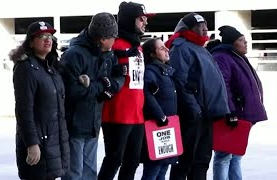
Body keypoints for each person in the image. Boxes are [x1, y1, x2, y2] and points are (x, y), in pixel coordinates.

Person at [165, 12, 230, 180]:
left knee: (202, 161)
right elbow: (179, 81)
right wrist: (194, 110)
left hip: (206, 115)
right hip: (193, 116)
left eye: (205, 25)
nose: (204, 29)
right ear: (189, 29)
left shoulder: (201, 48)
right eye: (200, 26)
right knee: (186, 161)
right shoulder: (181, 47)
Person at [60, 12, 124, 180]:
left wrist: (111, 87)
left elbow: (118, 77)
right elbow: (72, 92)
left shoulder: (108, 54)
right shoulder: (75, 55)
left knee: (89, 173)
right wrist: (102, 86)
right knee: (74, 174)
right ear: (103, 38)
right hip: (74, 125)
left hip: (93, 123)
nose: (115, 41)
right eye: (114, 37)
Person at [98, 2, 154, 180]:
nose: (145, 22)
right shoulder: (114, 44)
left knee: (133, 161)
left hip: (137, 113)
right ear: (130, 20)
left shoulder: (137, 46)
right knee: (114, 159)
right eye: (141, 19)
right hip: (117, 114)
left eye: (146, 19)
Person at [10, 21, 69, 180]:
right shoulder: (26, 69)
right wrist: (32, 144)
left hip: (53, 143)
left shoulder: (50, 67)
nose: (47, 39)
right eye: (42, 36)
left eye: (49, 36)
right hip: (39, 144)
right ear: (30, 42)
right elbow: (24, 111)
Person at [208, 25, 268, 180]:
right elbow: (223, 86)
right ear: (231, 43)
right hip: (232, 114)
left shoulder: (238, 56)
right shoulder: (222, 57)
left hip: (242, 113)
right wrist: (230, 111)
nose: (246, 43)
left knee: (236, 154)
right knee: (224, 155)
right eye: (241, 40)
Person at [140, 38, 178, 180]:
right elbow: (147, 95)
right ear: (152, 54)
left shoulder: (165, 70)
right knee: (153, 169)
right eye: (162, 48)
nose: (167, 50)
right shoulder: (151, 71)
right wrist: (160, 116)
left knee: (162, 168)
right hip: (158, 126)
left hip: (167, 126)